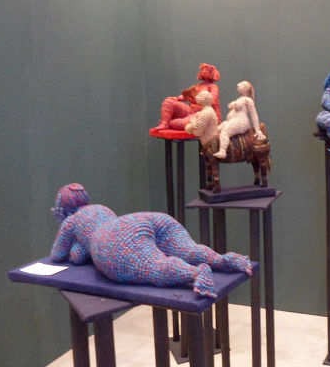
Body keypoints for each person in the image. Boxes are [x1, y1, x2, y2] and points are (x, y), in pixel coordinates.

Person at [50, 183, 252, 298]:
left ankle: (196, 273)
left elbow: (58, 255)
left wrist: (73, 243)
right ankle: (223, 260)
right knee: (189, 250)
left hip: (110, 240)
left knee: (154, 267)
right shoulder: (102, 208)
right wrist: (78, 250)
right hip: (136, 220)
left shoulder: (71, 221)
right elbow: (79, 253)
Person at [152, 63, 221, 131]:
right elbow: (186, 96)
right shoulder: (198, 86)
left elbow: (212, 100)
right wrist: (177, 98)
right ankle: (164, 123)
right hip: (191, 110)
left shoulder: (213, 87)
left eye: (207, 70)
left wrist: (195, 99)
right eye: (202, 70)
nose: (204, 72)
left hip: (202, 113)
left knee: (181, 123)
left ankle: (168, 122)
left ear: (212, 73)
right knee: (168, 101)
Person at [214, 81, 266, 159]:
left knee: (225, 131)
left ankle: (222, 151)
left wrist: (257, 129)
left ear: (246, 89)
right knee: (217, 129)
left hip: (241, 122)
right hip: (232, 120)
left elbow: (254, 115)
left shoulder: (248, 100)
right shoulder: (240, 99)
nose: (238, 85)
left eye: (241, 84)